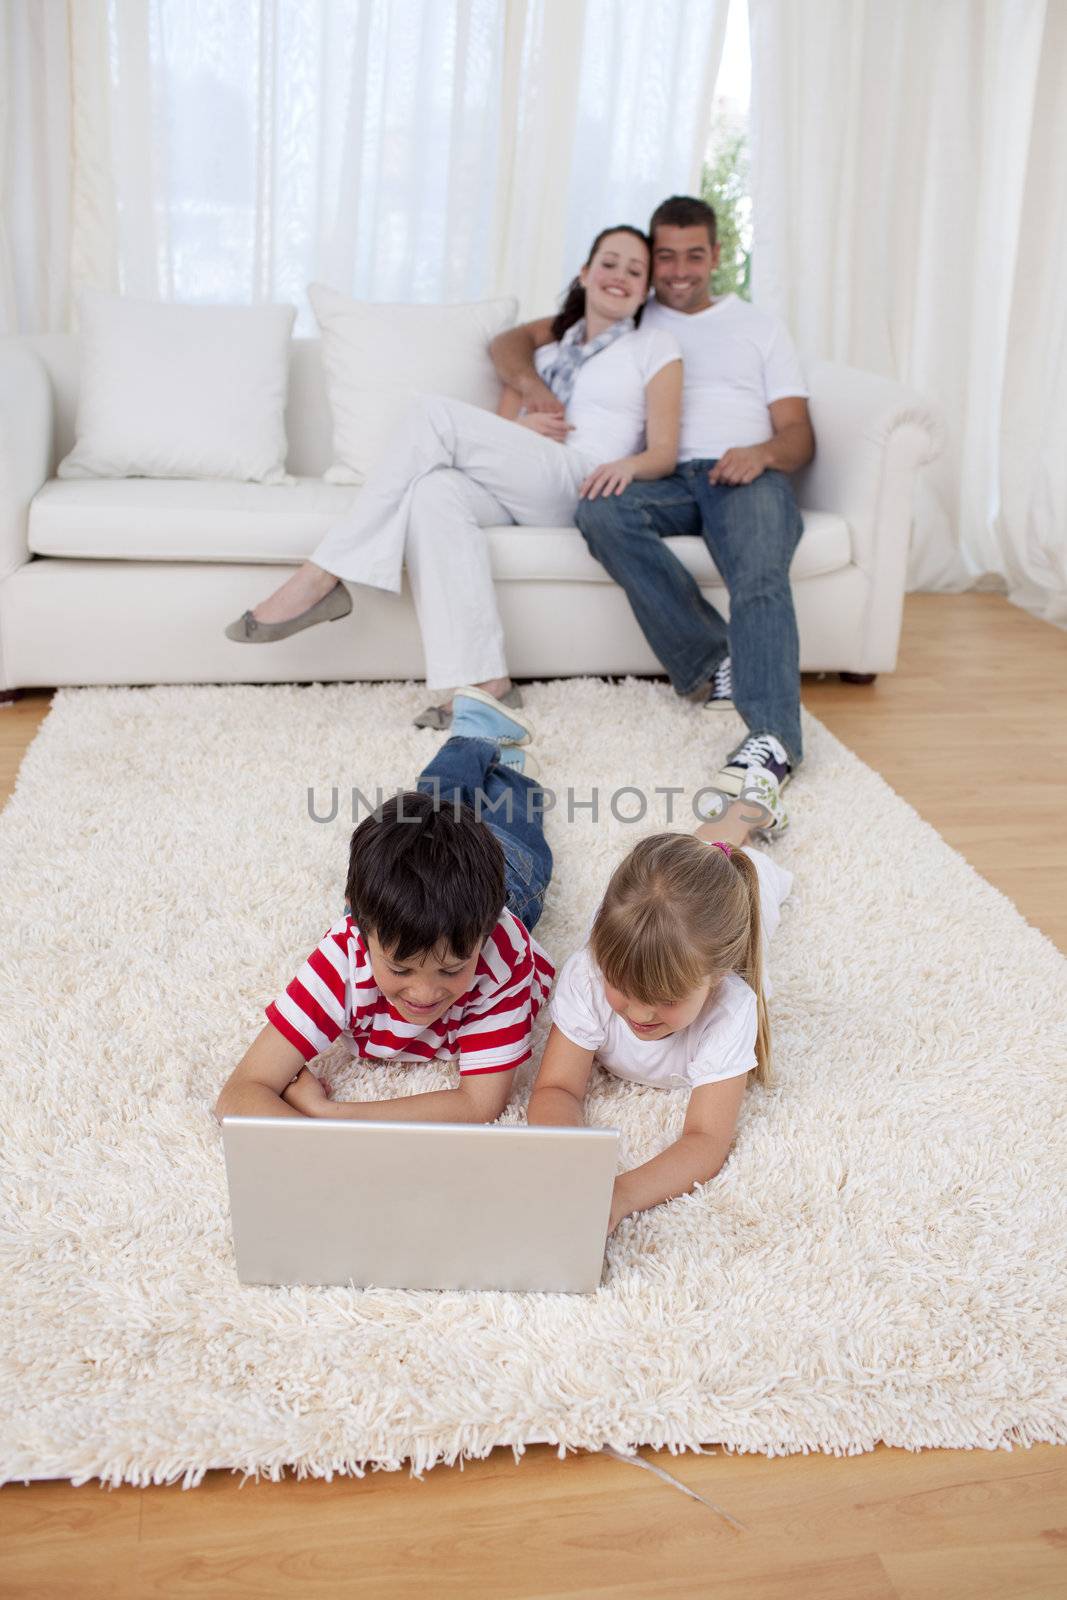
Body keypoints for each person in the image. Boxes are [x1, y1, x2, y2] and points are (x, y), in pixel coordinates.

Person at [224, 225, 682, 731]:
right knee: (432, 491)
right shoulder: (547, 349)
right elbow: (499, 428)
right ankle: (487, 685)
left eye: (635, 272)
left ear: (646, 290)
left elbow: (664, 451)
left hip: (584, 478)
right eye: (610, 263)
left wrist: (626, 466)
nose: (620, 277)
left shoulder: (654, 346)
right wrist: (521, 428)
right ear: (585, 272)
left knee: (432, 415)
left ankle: (323, 572)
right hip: (525, 477)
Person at [490, 194, 814, 828]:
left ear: (717, 255)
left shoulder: (760, 327)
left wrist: (763, 452)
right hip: (667, 477)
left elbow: (800, 435)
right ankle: (711, 662)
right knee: (601, 513)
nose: (680, 270)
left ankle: (773, 740)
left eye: (695, 255)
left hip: (741, 473)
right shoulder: (630, 314)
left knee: (758, 575)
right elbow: (508, 342)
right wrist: (533, 392)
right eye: (665, 257)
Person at [214, 693, 555, 1124]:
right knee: (434, 800)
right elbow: (239, 1094)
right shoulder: (344, 957)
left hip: (511, 876)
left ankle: (494, 751)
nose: (425, 994)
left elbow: (479, 1104)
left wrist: (328, 1112)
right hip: (441, 883)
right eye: (400, 968)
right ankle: (470, 739)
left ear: (486, 933)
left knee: (514, 803)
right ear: (357, 922)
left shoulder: (501, 952)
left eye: (451, 969)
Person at [525, 787, 791, 1233]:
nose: (641, 1015)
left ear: (715, 980)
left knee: (731, 861)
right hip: (658, 924)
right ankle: (730, 815)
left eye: (666, 999)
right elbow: (556, 1088)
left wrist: (618, 1196)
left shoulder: (730, 1006)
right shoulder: (590, 973)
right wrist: (565, 1159)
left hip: (728, 911)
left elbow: (706, 1141)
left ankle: (746, 809)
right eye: (623, 988)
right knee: (683, 868)